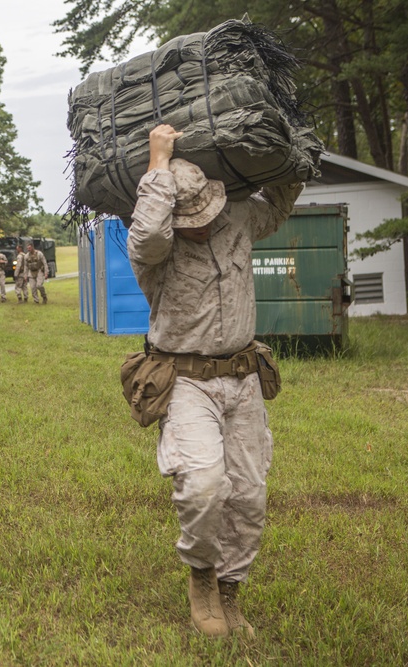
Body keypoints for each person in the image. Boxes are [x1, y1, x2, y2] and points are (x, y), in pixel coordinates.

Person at [128, 123, 303, 638]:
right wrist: (158, 162)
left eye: (205, 214)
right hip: (184, 381)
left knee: (249, 494)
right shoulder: (154, 249)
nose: (201, 225)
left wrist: (294, 157)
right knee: (203, 485)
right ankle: (201, 577)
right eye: (189, 220)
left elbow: (279, 201)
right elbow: (147, 233)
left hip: (243, 377)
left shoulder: (238, 217)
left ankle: (231, 588)